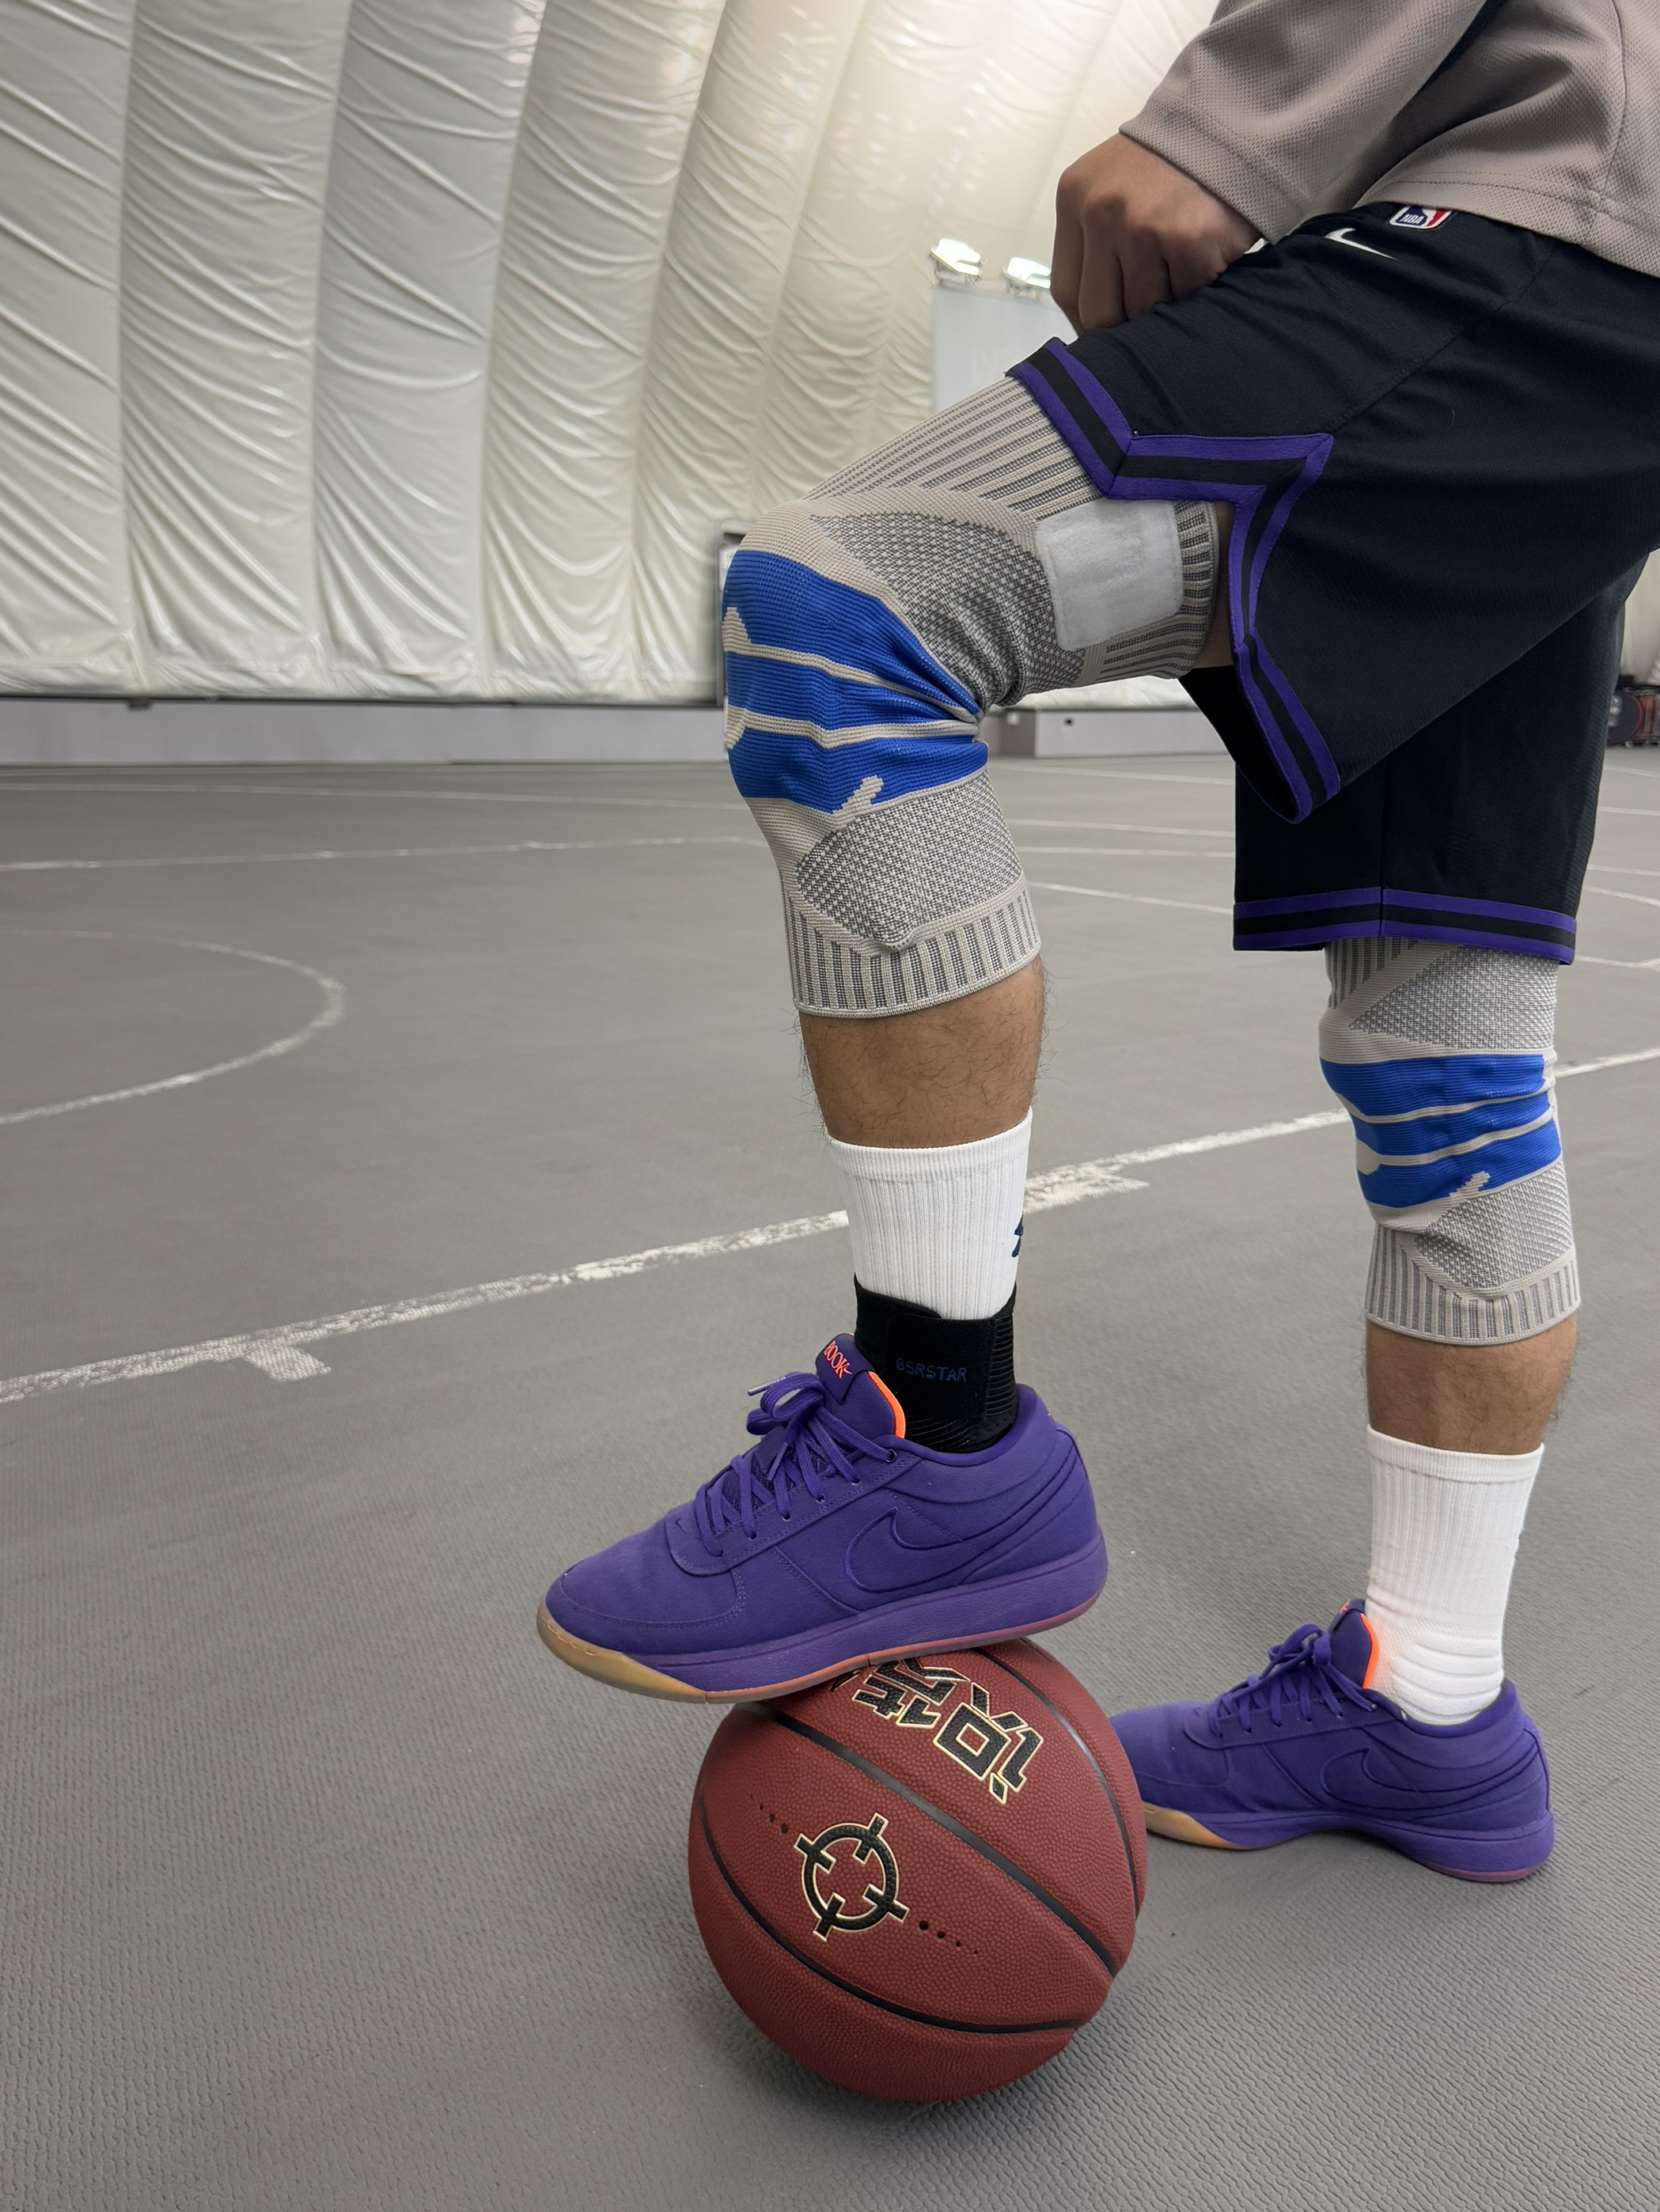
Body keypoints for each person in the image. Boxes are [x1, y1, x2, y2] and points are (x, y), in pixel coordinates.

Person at [540, 0, 1660, 1883]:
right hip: (1592, 363)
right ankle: (1429, 1706)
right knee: (1445, 1038)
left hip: (1547, 226)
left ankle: (936, 1431)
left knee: (847, 605)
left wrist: (1244, 119)